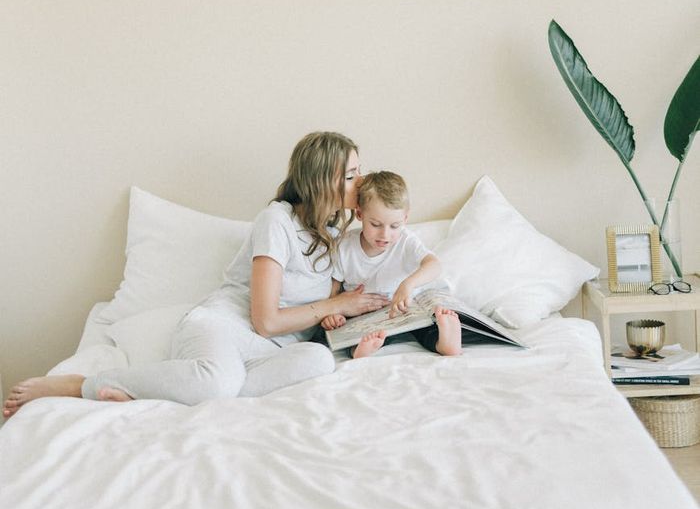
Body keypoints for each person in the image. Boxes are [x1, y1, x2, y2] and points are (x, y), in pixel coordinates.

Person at [3, 132, 388, 417]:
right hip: (226, 328)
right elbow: (266, 320)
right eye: (351, 175)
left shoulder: (336, 235)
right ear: (323, 180)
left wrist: (345, 311)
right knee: (218, 381)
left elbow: (326, 311)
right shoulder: (277, 221)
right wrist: (334, 303)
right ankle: (84, 385)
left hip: (272, 352)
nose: (361, 181)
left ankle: (162, 394)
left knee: (320, 361)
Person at [319, 170, 464, 359]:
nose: (385, 235)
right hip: (364, 315)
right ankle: (361, 350)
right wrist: (333, 314)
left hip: (403, 312)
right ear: (360, 214)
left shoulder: (406, 241)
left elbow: (434, 265)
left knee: (426, 326)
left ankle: (445, 343)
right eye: (376, 225)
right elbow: (334, 292)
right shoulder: (344, 246)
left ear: (405, 218)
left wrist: (408, 285)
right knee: (357, 333)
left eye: (394, 226)